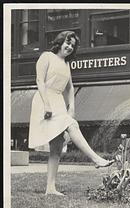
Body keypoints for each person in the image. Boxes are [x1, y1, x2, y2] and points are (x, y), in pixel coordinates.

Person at [28, 31, 113, 196]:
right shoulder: (47, 56)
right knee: (72, 125)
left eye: (72, 46)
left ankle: (50, 188)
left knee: (57, 146)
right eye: (68, 42)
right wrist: (46, 105)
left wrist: (71, 106)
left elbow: (70, 87)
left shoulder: (66, 64)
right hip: (45, 99)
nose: (69, 47)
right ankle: (96, 159)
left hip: (58, 102)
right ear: (60, 41)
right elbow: (39, 81)